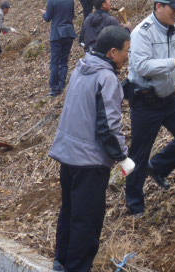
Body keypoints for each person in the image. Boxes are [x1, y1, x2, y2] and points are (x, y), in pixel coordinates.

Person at [50, 26, 135, 272]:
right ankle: (77, 268)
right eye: (126, 51)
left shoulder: (82, 68)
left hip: (69, 155)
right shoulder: (106, 78)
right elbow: (108, 126)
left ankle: (61, 261)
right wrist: (122, 157)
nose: (127, 56)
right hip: (90, 160)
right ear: (112, 52)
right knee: (87, 221)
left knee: (69, 212)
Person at [125, 0, 175, 216]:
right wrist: (174, 63)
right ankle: (134, 205)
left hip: (169, 98)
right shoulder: (142, 33)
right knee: (139, 153)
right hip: (144, 100)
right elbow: (141, 66)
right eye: (173, 10)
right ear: (159, 6)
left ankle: (158, 168)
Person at [41, 0, 77, 97]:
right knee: (64, 60)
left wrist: (44, 13)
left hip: (57, 34)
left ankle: (55, 88)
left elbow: (47, 18)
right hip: (69, 32)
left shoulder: (52, 0)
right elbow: (71, 15)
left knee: (55, 61)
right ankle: (62, 85)